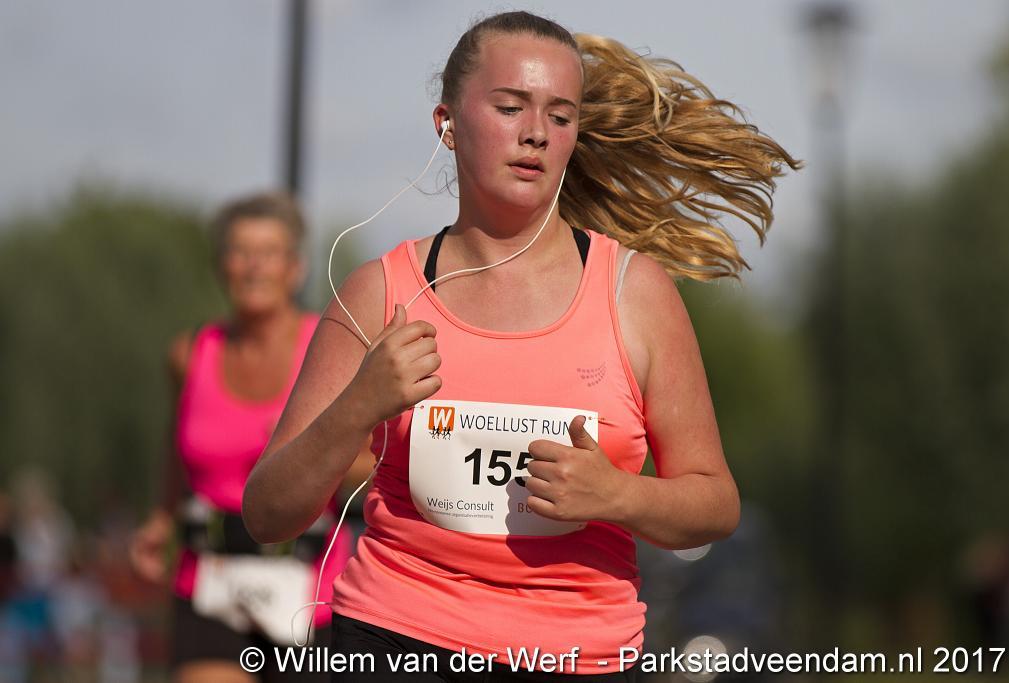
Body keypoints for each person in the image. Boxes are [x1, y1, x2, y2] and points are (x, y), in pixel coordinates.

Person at [243, 11, 801, 682]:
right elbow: (268, 514)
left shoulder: (635, 293)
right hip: (393, 640)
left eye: (560, 116)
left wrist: (617, 494)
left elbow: (715, 503)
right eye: (510, 107)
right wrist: (357, 406)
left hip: (580, 658)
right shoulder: (379, 292)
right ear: (447, 123)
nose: (536, 132)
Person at [130, 192, 367, 683]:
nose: (255, 266)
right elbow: (176, 448)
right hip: (209, 583)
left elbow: (374, 464)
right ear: (222, 266)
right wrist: (160, 519)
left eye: (269, 253)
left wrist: (314, 444)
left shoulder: (331, 347)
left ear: (295, 268)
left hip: (310, 590)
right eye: (241, 252)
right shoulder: (190, 353)